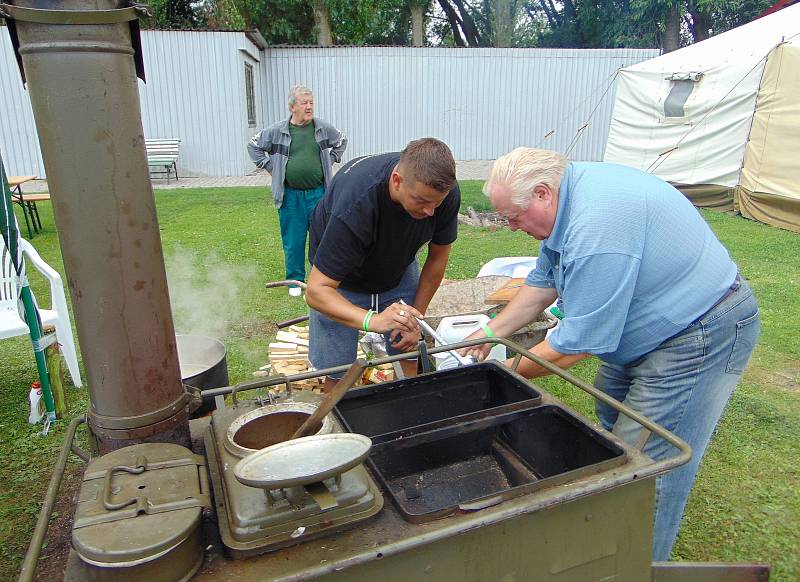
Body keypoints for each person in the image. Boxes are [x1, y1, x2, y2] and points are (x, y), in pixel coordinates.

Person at [463, 147, 760, 560]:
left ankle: (631, 573)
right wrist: (488, 332)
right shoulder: (565, 202)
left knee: (646, 465)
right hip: (650, 334)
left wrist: (498, 372)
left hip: (698, 334)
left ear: (544, 193)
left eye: (513, 217)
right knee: (615, 430)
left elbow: (575, 347)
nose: (512, 227)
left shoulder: (596, 230)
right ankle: (611, 533)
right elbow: (542, 281)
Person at [305, 138, 461, 390]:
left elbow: (438, 257)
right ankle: (339, 420)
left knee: (407, 350)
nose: (431, 211)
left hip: (398, 268)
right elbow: (317, 291)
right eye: (421, 201)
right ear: (397, 180)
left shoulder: (443, 192)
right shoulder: (355, 203)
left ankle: (408, 408)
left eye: (437, 203)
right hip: (342, 279)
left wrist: (416, 320)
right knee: (337, 371)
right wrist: (373, 321)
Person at [248, 85, 347, 296]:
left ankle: (322, 280)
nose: (310, 107)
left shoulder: (321, 128)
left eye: (311, 103)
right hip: (290, 196)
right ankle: (295, 283)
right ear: (292, 107)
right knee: (293, 241)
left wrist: (330, 160)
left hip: (319, 195)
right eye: (305, 103)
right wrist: (270, 167)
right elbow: (253, 145)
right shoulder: (277, 131)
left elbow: (341, 141)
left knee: (322, 238)